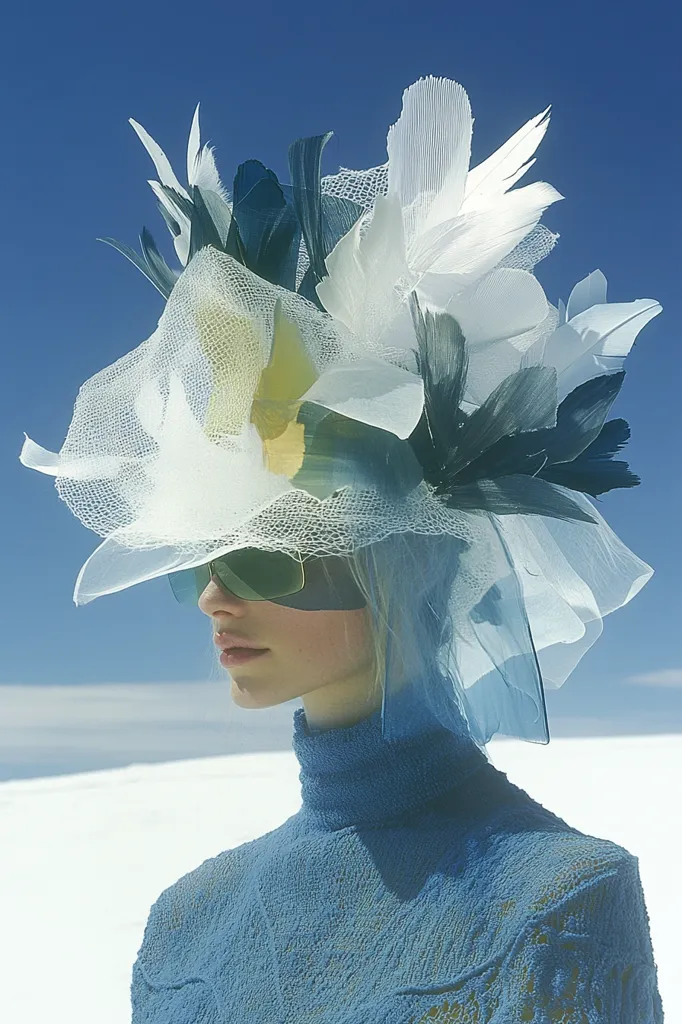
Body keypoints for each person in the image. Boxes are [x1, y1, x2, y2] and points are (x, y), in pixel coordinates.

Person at [20, 76, 665, 1021]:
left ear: (404, 564)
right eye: (206, 555)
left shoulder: (557, 905)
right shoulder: (184, 924)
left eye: (271, 550)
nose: (212, 596)